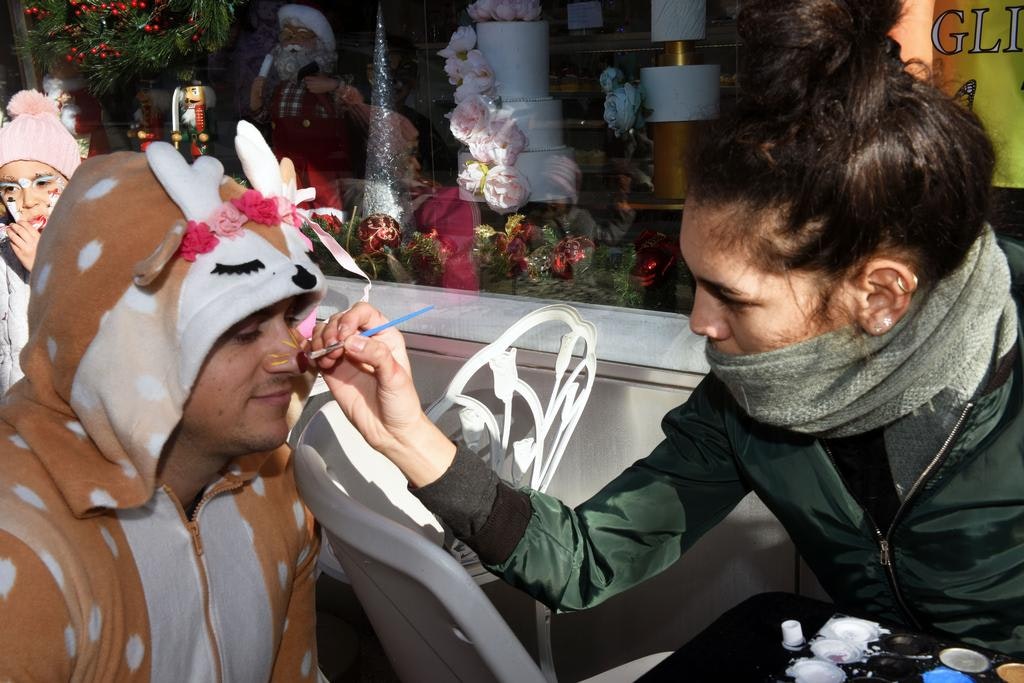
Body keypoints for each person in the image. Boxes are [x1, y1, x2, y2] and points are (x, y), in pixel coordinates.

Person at [304, 0, 1024, 659]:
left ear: (880, 293)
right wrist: (404, 435)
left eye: (731, 298)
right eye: (693, 281)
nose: (700, 323)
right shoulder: (750, 399)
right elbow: (585, 559)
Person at [0, 122, 328, 679]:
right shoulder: (19, 553)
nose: (290, 355)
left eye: (290, 317)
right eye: (243, 330)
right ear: (130, 345)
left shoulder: (276, 479)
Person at [0, 89, 82, 395]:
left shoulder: (87, 241)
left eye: (43, 183)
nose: (27, 200)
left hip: (62, 412)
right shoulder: (3, 250)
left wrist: (43, 268)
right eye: (10, 189)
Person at [249, 3, 367, 210]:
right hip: (286, 168)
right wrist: (257, 104)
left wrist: (334, 86)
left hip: (323, 171)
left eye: (302, 35)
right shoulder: (281, 87)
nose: (293, 41)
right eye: (287, 36)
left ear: (320, 43)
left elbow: (359, 106)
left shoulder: (332, 82)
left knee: (326, 214)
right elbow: (270, 121)